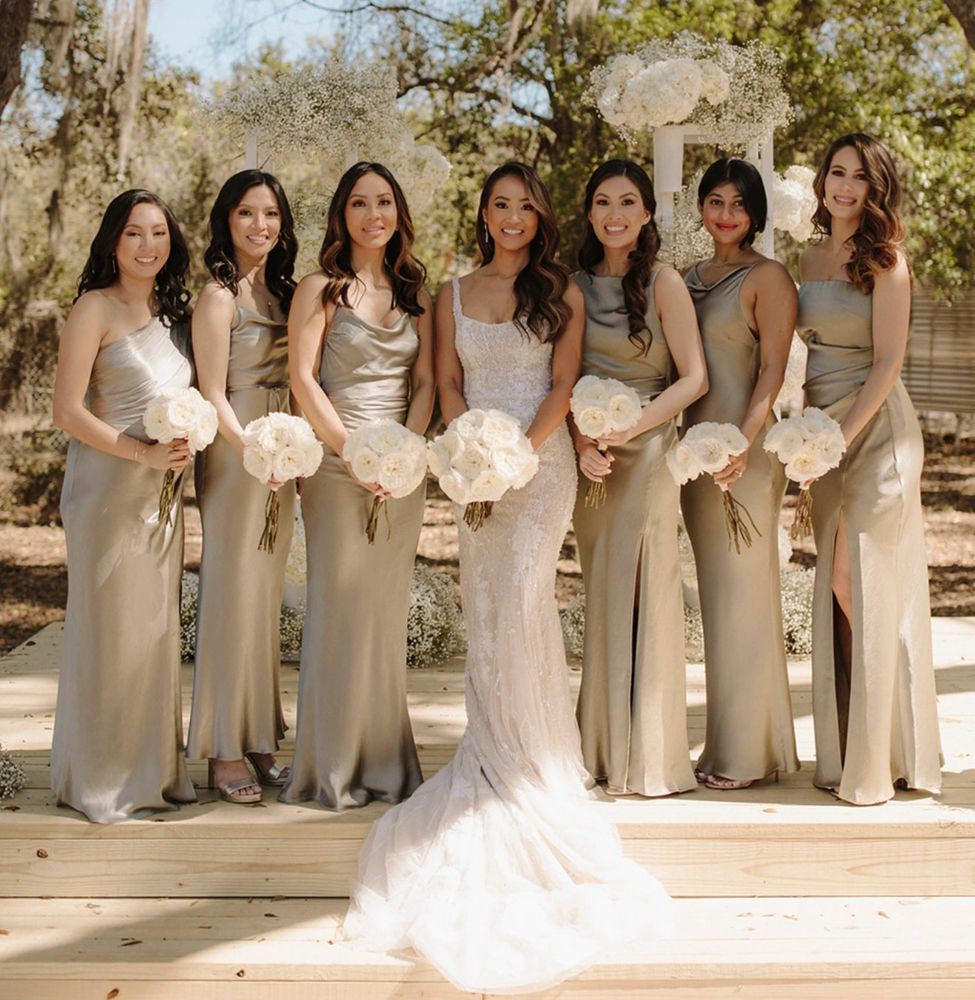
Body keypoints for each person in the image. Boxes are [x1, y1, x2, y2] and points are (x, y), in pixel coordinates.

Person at [342, 162, 672, 995]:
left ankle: (532, 764)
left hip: (543, 462)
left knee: (525, 598)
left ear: (540, 216)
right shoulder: (451, 291)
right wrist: (468, 450)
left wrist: (521, 450)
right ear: (483, 214)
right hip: (473, 470)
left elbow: (561, 383)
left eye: (527, 205)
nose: (513, 217)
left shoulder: (556, 291)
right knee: (483, 606)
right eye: (500, 205)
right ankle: (491, 749)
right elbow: (446, 381)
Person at [282, 162, 434, 810]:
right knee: (339, 609)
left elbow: (425, 384)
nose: (373, 214)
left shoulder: (413, 289)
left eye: (383, 202)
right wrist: (354, 453)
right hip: (338, 465)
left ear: (397, 211)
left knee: (382, 613)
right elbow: (302, 377)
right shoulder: (319, 287)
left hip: (400, 470)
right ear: (341, 216)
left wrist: (403, 452)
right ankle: (331, 768)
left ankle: (384, 763)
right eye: (358, 204)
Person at [796, 133, 942, 805]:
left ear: (874, 188)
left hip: (877, 432)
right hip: (820, 430)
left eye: (858, 176)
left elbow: (886, 363)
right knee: (837, 591)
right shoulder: (804, 254)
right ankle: (859, 748)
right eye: (836, 171)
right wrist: (801, 439)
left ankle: (880, 763)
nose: (844, 185)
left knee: (861, 582)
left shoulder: (886, 260)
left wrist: (834, 438)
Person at [50, 189, 197, 823]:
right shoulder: (94, 308)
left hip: (163, 497)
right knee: (109, 629)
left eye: (159, 233)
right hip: (107, 491)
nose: (148, 246)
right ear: (113, 241)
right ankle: (102, 779)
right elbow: (67, 411)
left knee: (151, 631)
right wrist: (140, 456)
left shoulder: (173, 314)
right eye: (134, 233)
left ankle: (150, 774)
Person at [572, 159, 707, 797]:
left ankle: (649, 755)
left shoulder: (665, 282)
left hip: (649, 450)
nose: (615, 214)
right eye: (603, 202)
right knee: (603, 588)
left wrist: (631, 430)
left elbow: (693, 378)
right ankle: (599, 747)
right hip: (590, 456)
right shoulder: (570, 286)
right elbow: (560, 381)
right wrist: (581, 440)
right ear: (590, 212)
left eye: (628, 202)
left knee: (643, 587)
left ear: (647, 213)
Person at [682, 157, 800, 790]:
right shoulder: (684, 277)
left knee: (746, 597)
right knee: (717, 600)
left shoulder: (770, 277)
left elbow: (773, 372)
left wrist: (743, 444)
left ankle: (747, 755)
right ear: (701, 207)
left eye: (739, 204)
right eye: (715, 201)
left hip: (745, 456)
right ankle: (729, 742)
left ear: (755, 214)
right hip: (692, 455)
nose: (726, 214)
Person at [186, 170, 298, 803]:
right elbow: (211, 393)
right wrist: (252, 451)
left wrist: (294, 456)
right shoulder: (219, 297)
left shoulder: (282, 293)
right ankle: (224, 749)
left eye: (271, 214)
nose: (260, 226)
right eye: (247, 214)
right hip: (237, 456)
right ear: (226, 220)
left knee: (262, 598)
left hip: (283, 453)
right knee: (231, 596)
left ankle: (259, 737)